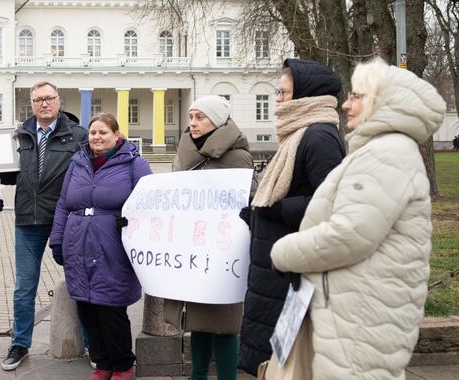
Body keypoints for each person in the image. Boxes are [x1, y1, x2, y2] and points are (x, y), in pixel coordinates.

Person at [270, 58, 446, 379]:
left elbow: (348, 236)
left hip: (361, 317)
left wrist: (283, 252)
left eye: (357, 96)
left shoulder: (388, 154)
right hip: (357, 312)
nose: (346, 105)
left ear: (382, 101)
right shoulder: (382, 150)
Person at [238, 59, 345, 375]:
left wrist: (278, 209)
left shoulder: (318, 137)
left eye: (283, 93)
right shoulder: (299, 133)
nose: (277, 100)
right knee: (275, 358)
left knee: (287, 360)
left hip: (293, 274)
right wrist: (256, 212)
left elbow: (332, 201)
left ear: (305, 95)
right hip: (278, 268)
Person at [0, 81, 87, 371]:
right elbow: (15, 175)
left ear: (59, 101)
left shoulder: (78, 135)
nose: (44, 103)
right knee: (24, 286)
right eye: (38, 99)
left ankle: (92, 343)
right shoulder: (20, 135)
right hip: (28, 218)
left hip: (66, 218)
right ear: (32, 104)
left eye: (49, 98)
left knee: (80, 281)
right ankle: (20, 343)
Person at [49, 113, 152, 380]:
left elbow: (151, 202)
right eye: (93, 132)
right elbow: (63, 203)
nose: (96, 137)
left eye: (103, 132)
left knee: (110, 305)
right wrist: (57, 239)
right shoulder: (78, 163)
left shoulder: (134, 164)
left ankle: (123, 365)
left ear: (117, 135)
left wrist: (135, 230)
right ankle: (102, 362)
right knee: (86, 305)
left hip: (113, 245)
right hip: (78, 243)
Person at [163, 95, 254, 380]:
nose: (193, 123)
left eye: (200, 117)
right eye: (191, 117)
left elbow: (249, 200)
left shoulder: (237, 157)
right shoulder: (185, 155)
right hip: (193, 248)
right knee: (197, 320)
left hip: (224, 253)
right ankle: (197, 375)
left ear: (216, 120)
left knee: (224, 322)